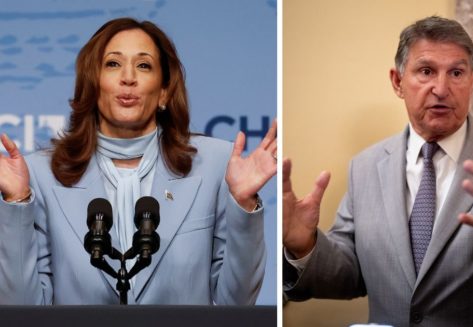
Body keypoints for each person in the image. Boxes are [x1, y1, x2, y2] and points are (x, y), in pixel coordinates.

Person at [283, 16, 473, 326]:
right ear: (397, 82)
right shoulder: (364, 167)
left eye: (456, 73)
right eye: (426, 71)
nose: (441, 89)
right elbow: (350, 274)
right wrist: (303, 245)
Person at [0, 17, 277, 305]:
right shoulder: (41, 176)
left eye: (143, 65)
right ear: (92, 85)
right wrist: (17, 202)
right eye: (113, 64)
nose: (128, 77)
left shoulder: (216, 165)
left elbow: (237, 304)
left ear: (164, 92)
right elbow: (22, 310)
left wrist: (244, 204)